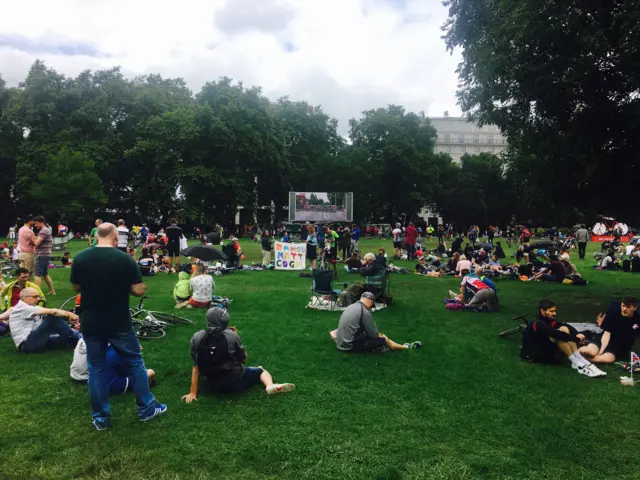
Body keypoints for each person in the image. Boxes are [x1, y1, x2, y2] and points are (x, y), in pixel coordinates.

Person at [71, 222, 166, 430]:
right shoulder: (124, 259)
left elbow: (77, 286)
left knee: (95, 368)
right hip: (118, 320)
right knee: (134, 362)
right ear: (115, 237)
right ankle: (146, 409)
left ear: (97, 236)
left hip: (91, 320)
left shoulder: (81, 258)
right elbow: (139, 290)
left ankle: (101, 418)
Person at [182, 307, 295, 402]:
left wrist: (192, 393)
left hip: (211, 384)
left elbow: (196, 366)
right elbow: (244, 359)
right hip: (235, 381)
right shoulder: (231, 335)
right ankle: (270, 385)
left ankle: (195, 391)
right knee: (260, 371)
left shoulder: (197, 337)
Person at [520, 300, 606, 377]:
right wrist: (574, 338)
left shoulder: (548, 321)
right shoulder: (538, 324)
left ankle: (579, 358)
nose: (554, 313)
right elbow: (555, 333)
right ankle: (576, 362)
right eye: (551, 311)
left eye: (555, 311)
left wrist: (577, 334)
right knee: (559, 335)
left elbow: (564, 325)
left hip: (545, 350)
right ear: (543, 311)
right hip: (534, 355)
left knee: (564, 328)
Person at [334, 292, 422, 353]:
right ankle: (405, 347)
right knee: (383, 339)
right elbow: (374, 335)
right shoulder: (364, 311)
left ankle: (399, 346)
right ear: (371, 302)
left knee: (375, 336)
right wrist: (374, 326)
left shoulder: (351, 306)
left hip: (341, 343)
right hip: (350, 347)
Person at [71, 338, 156, 394]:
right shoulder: (112, 352)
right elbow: (112, 386)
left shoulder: (90, 336)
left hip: (75, 374)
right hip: (89, 377)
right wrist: (145, 375)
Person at [8, 287, 80, 353]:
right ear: (25, 298)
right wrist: (69, 314)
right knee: (53, 318)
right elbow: (53, 312)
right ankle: (78, 340)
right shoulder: (23, 308)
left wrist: (67, 321)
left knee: (63, 339)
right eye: (35, 296)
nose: (38, 299)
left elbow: (51, 317)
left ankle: (79, 339)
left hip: (33, 340)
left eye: (38, 296)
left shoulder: (30, 307)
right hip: (27, 345)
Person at [579, 297, 639, 364]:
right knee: (589, 352)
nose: (624, 309)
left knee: (607, 359)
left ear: (635, 308)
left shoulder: (637, 319)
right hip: (604, 339)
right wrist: (601, 351)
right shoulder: (613, 313)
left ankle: (578, 358)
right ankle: (575, 351)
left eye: (628, 307)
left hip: (619, 346)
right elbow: (606, 334)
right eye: (623, 306)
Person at [32, 216, 55, 296]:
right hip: (46, 254)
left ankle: (37, 294)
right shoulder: (46, 230)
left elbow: (36, 243)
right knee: (45, 274)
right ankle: (52, 291)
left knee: (37, 274)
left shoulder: (43, 231)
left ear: (41, 222)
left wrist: (33, 239)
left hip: (42, 255)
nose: (35, 225)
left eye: (36, 223)